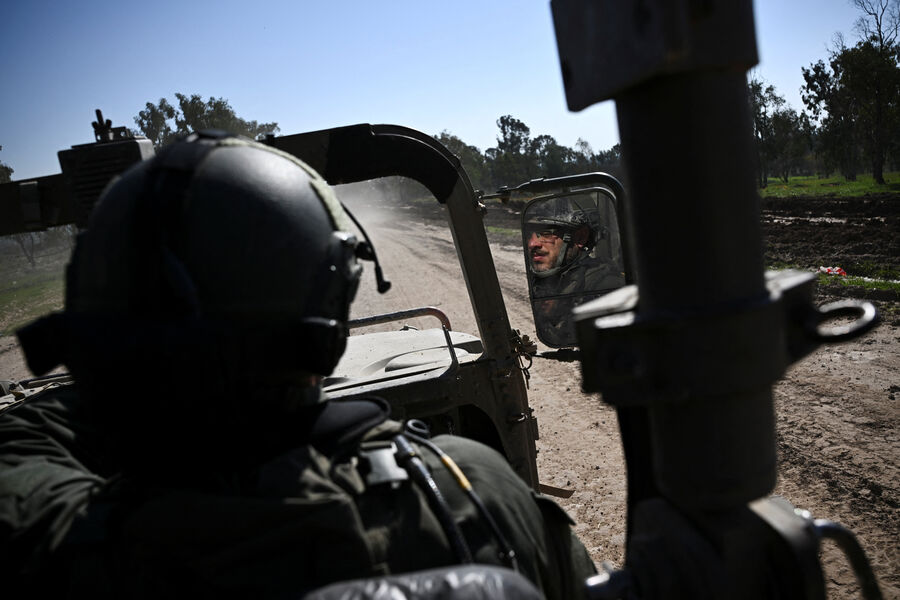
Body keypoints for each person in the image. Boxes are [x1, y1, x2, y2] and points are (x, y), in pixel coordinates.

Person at [0, 132, 595, 598]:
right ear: (331, 307)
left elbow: (21, 439)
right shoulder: (476, 494)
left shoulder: (56, 550)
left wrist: (139, 352)